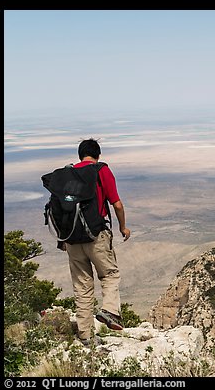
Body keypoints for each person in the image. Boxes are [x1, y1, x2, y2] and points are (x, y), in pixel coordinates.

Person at [62, 138, 131, 345]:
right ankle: (109, 311)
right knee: (110, 274)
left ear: (80, 155)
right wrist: (122, 227)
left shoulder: (68, 175)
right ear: (97, 155)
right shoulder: (101, 171)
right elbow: (117, 204)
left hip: (72, 240)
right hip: (96, 236)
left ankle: (85, 336)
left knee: (82, 287)